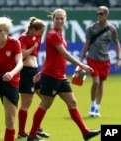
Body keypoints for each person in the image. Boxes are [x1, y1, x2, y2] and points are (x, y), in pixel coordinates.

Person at [26, 8, 101, 141]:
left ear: (65, 20)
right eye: (57, 18)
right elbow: (64, 54)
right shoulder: (53, 34)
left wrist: (41, 72)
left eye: (62, 18)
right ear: (53, 19)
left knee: (72, 102)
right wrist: (82, 65)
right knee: (45, 104)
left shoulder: (60, 34)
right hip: (52, 76)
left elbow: (51, 57)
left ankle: (85, 132)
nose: (60, 20)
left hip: (60, 76)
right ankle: (32, 135)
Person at [80, 5, 121, 117]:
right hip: (92, 59)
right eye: (97, 13)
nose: (99, 15)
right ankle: (92, 105)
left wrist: (118, 58)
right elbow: (87, 44)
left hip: (105, 60)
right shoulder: (91, 28)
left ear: (106, 15)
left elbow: (116, 44)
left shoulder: (112, 29)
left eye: (101, 13)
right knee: (96, 82)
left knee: (101, 84)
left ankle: (97, 107)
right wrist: (81, 59)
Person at [17, 17, 49, 139]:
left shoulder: (37, 37)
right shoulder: (23, 38)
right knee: (26, 103)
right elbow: (21, 54)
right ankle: (21, 132)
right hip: (26, 72)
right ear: (33, 29)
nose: (42, 34)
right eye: (40, 31)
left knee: (45, 98)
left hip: (34, 71)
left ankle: (37, 127)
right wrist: (33, 48)